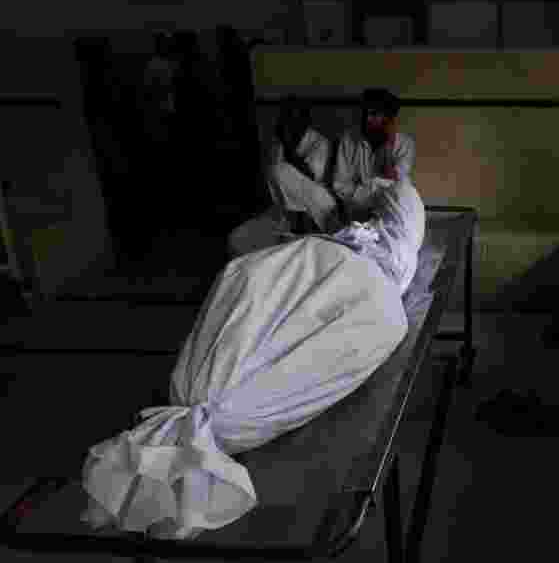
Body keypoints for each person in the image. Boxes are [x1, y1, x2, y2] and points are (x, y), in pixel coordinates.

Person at [81, 178, 426, 539]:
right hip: (325, 264)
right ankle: (204, 423)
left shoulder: (398, 244)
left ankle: (201, 427)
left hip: (359, 276)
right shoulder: (379, 235)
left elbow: (398, 193)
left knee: (301, 325)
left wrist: (362, 198)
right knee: (260, 295)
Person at [227, 88, 415, 258]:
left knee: (396, 201)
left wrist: (388, 146)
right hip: (349, 215)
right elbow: (340, 187)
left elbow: (394, 187)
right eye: (365, 113)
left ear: (389, 120)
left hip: (381, 214)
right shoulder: (348, 140)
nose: (367, 119)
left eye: (375, 115)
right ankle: (310, 234)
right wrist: (372, 190)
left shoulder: (404, 145)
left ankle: (356, 241)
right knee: (282, 173)